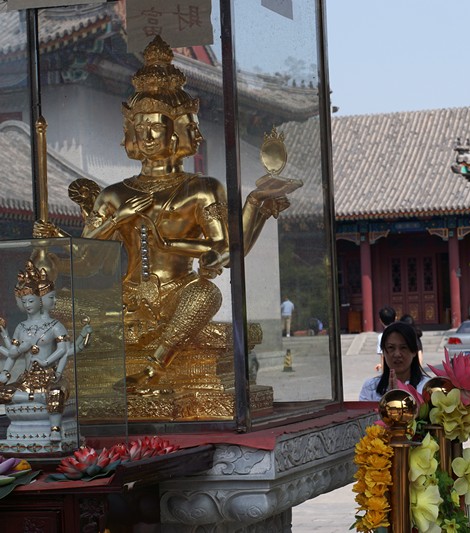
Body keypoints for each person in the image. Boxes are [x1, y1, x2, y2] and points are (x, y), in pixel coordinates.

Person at [34, 36, 298, 394]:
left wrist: (252, 207)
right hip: (124, 297)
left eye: (155, 127)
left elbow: (222, 250)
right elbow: (86, 261)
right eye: (138, 128)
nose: (145, 136)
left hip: (177, 291)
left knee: (207, 294)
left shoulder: (202, 188)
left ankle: (155, 367)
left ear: (179, 129)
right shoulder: (115, 194)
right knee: (62, 301)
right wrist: (53, 248)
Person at [0, 262, 91, 442]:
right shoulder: (21, 327)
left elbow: (66, 351)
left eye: (31, 300)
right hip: (26, 380)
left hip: (50, 377)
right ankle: (33, 400)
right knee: (3, 392)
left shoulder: (55, 326)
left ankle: (54, 429)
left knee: (55, 393)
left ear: (40, 300)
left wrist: (81, 342)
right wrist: (5, 372)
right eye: (24, 301)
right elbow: (13, 353)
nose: (27, 305)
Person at [359, 321, 430, 401]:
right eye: (391, 348)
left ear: (414, 352)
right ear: (383, 352)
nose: (397, 354)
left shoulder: (428, 389)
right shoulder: (370, 387)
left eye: (403, 348)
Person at [375, 305, 396, 371]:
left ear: (380, 320)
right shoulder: (403, 333)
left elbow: (383, 357)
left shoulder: (381, 337)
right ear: (395, 318)